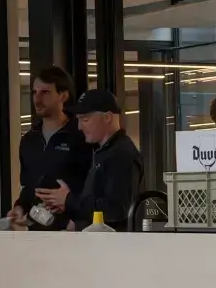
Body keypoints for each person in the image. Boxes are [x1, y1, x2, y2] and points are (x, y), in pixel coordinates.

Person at [34, 90, 142, 232]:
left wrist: (68, 200)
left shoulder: (120, 155)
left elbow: (115, 209)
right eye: (78, 120)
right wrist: (67, 207)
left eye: (85, 120)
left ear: (108, 117)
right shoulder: (103, 151)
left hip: (110, 248)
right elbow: (95, 202)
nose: (79, 127)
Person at [8, 67, 92, 231]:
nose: (37, 100)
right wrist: (20, 208)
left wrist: (75, 219)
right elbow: (28, 187)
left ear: (63, 96)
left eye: (45, 93)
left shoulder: (82, 136)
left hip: (74, 231)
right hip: (37, 231)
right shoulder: (29, 140)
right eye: (34, 92)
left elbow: (93, 187)